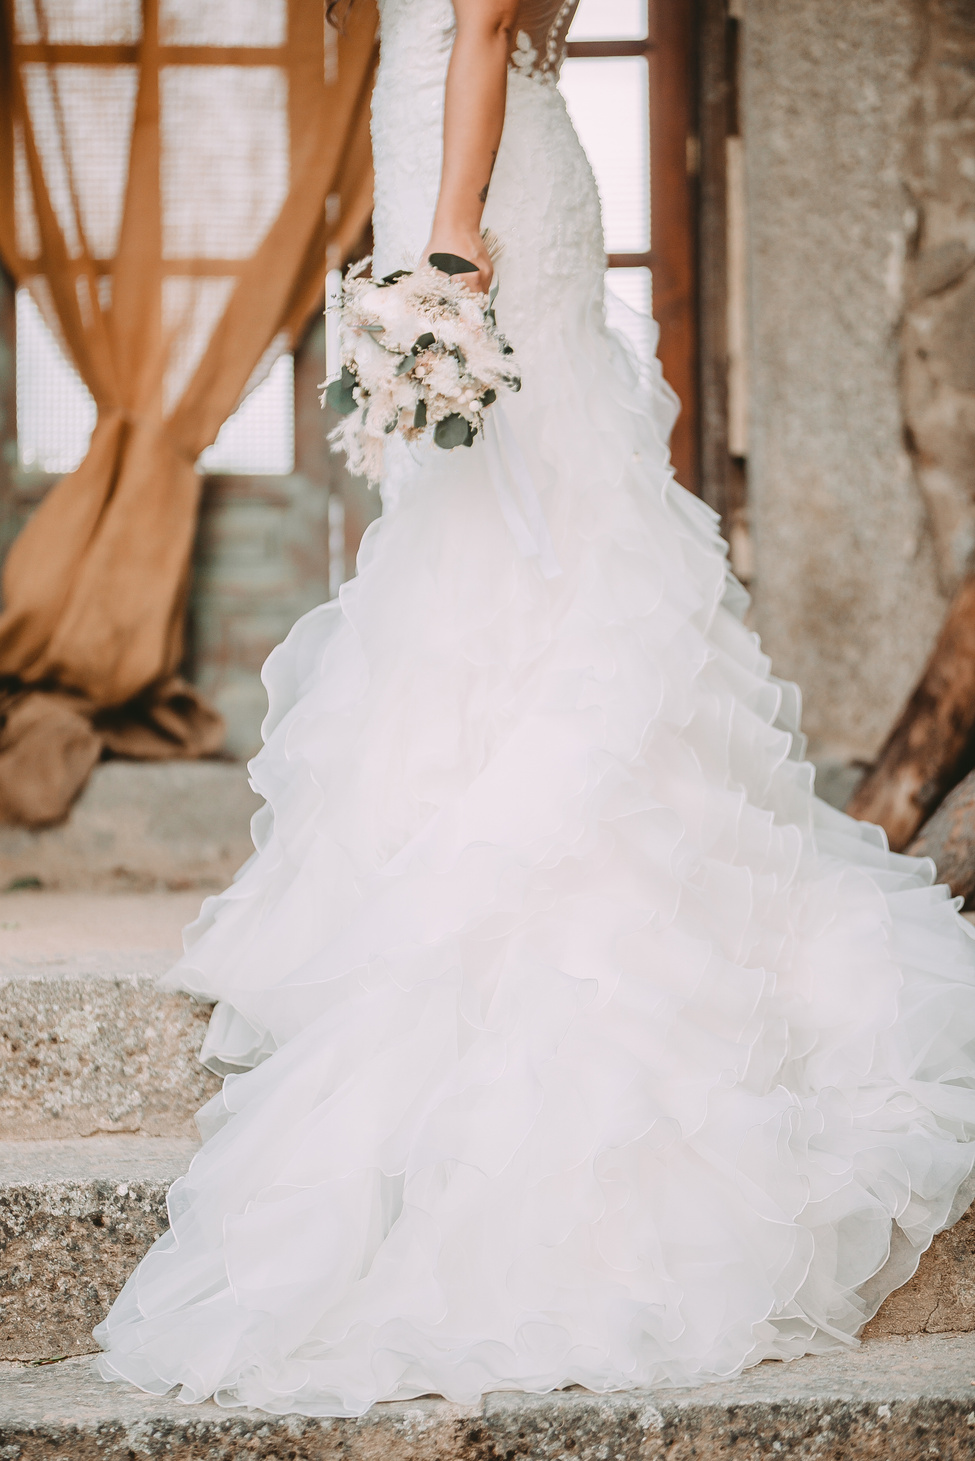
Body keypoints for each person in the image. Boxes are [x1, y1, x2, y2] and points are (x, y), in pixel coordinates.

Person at [96, 0, 975, 1416]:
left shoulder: (470, 166)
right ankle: (467, 834)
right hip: (478, 154)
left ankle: (535, 890)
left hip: (481, 182)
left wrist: (444, 255)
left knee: (523, 539)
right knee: (494, 540)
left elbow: (490, 22)